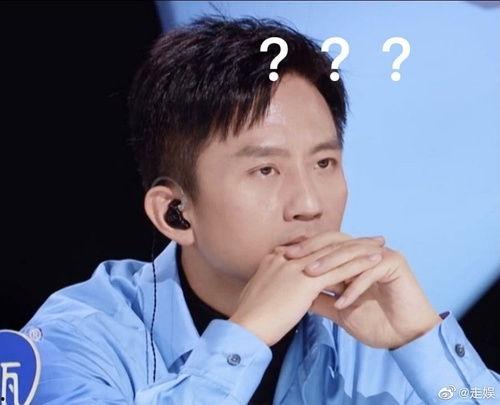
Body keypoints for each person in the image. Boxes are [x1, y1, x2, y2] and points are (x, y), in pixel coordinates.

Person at [21, 15, 499, 404]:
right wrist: (246, 339)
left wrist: (420, 340)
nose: (309, 205)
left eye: (324, 163)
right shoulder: (73, 341)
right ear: (175, 213)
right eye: (266, 170)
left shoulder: (366, 326)